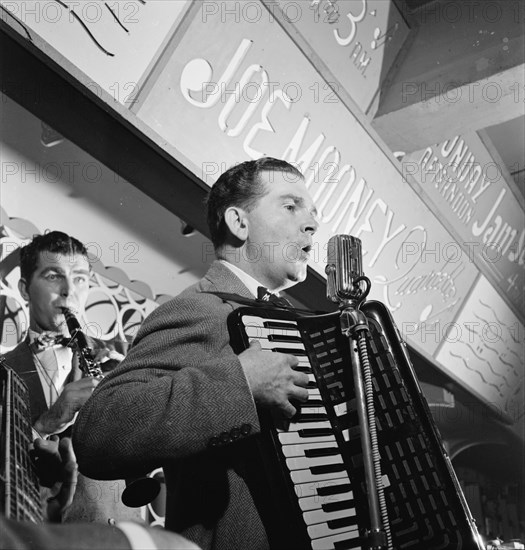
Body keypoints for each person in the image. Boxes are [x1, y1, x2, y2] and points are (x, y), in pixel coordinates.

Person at [73, 157, 319, 550]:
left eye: (312, 212)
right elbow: (98, 433)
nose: (311, 223)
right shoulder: (200, 308)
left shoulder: (295, 324)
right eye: (291, 207)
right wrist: (242, 383)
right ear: (239, 223)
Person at [3, 231, 142, 524]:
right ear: (25, 289)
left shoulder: (124, 362)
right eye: (54, 276)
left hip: (107, 535)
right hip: (27, 531)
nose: (69, 290)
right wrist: (47, 423)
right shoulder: (2, 370)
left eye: (80, 278)